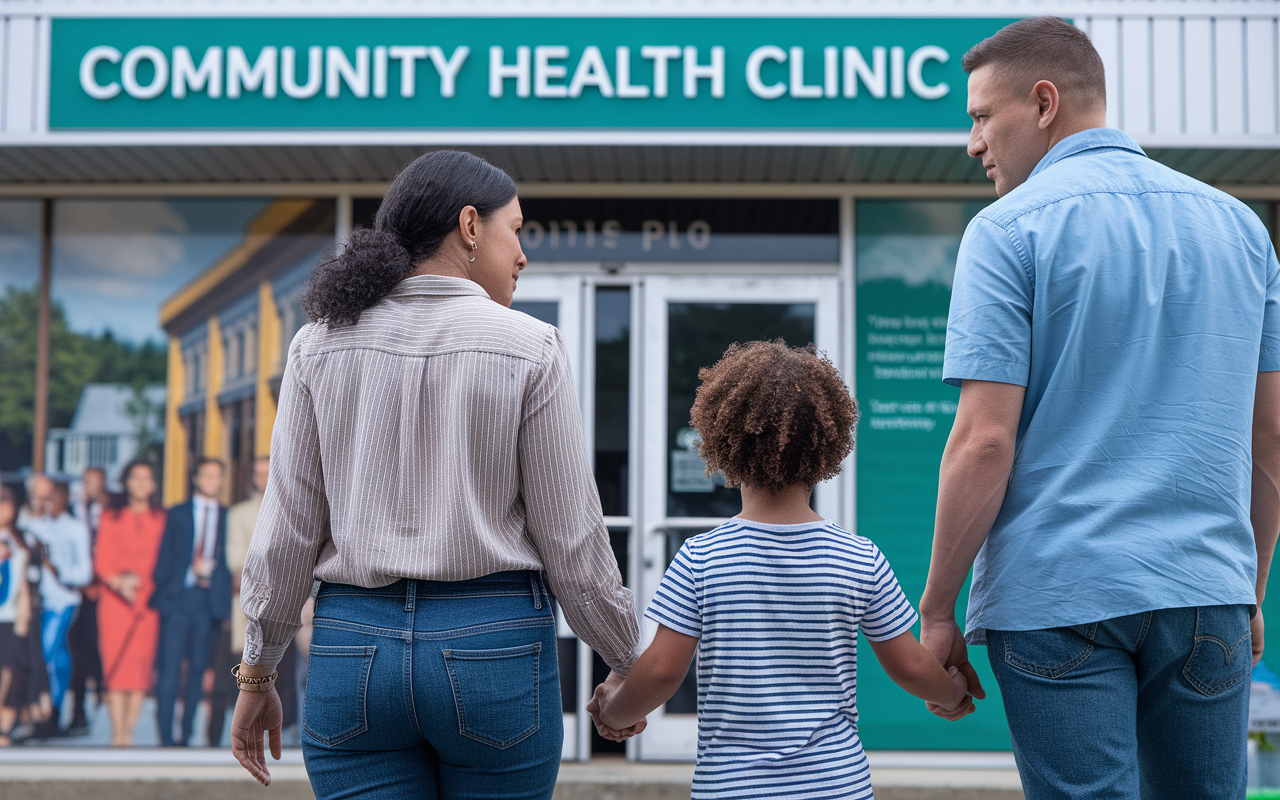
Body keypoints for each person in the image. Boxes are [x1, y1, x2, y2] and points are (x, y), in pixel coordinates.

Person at [918, 16, 1280, 800]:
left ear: (1043, 102)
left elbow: (983, 442)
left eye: (982, 117)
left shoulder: (1007, 231)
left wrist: (939, 607)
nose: (973, 143)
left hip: (1060, 596)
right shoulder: (1243, 231)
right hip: (1205, 593)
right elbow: (1271, 438)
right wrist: (1245, 589)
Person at [230, 150, 643, 798]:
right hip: (494, 650)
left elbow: (285, 535)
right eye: (518, 229)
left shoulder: (318, 343)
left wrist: (258, 674)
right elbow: (573, 544)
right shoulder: (530, 346)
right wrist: (628, 663)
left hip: (352, 649)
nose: (523, 254)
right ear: (471, 226)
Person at [587, 341, 969, 799]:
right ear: (827, 445)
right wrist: (950, 693)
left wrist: (616, 713)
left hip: (732, 788)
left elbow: (663, 671)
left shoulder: (700, 558)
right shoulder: (859, 556)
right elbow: (909, 666)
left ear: (723, 440)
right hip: (836, 786)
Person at [208, 456, 299, 747]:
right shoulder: (239, 513)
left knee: (280, 674)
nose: (263, 478)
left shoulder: (293, 512)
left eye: (268, 472)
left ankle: (274, 737)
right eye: (258, 473)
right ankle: (233, 737)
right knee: (242, 672)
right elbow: (237, 560)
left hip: (284, 606)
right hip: (246, 608)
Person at [152, 457, 231, 747]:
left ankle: (185, 734)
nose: (212, 481)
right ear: (196, 478)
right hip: (179, 599)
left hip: (209, 603)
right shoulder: (178, 514)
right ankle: (165, 736)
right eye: (207, 475)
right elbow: (166, 558)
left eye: (217, 476)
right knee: (170, 669)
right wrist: (185, 575)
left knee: (198, 670)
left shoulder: (226, 515)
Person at [94, 461, 165, 746]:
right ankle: (116, 732)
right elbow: (101, 560)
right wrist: (119, 582)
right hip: (114, 603)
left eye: (147, 478)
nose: (141, 483)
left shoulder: (161, 518)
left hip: (148, 603)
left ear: (153, 484)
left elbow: (163, 561)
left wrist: (144, 587)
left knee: (139, 666)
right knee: (115, 662)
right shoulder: (111, 517)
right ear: (126, 482)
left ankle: (129, 733)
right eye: (136, 478)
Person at [24, 481, 92, 733]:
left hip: (62, 600)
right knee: (57, 655)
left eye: (51, 497)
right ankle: (49, 712)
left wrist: (57, 569)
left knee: (46, 653)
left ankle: (49, 712)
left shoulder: (74, 529)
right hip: (36, 602)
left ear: (63, 498)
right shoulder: (36, 525)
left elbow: (84, 572)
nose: (46, 502)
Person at [67, 466, 107, 735]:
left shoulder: (111, 511)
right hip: (77, 593)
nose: (90, 487)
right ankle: (78, 713)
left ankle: (103, 701)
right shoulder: (71, 513)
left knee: (100, 651)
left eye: (96, 482)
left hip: (106, 592)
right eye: (87, 482)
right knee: (78, 653)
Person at [0, 486, 33, 745]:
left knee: (13, 669)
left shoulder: (19, 539)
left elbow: (23, 579)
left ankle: (6, 724)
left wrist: (25, 612)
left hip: (11, 614)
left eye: (7, 504)